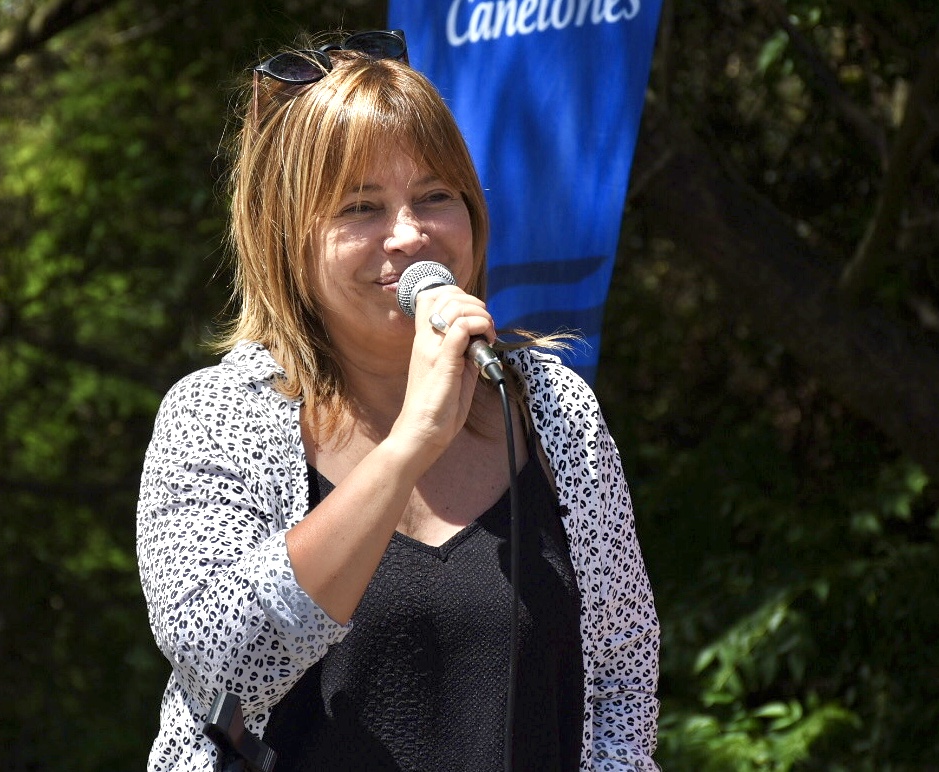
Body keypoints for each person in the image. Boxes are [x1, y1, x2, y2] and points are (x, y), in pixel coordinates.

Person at [136, 29, 659, 772]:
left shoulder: (553, 410)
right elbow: (224, 664)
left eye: (434, 196)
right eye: (361, 207)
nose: (409, 236)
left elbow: (620, 682)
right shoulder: (217, 416)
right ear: (290, 240)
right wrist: (410, 443)